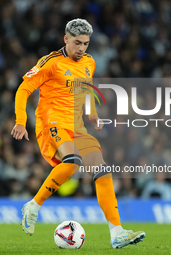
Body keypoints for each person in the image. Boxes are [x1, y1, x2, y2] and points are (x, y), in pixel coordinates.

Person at [11, 18, 145, 249]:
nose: (82, 48)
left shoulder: (89, 62)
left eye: (86, 43)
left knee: (103, 171)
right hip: (51, 122)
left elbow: (87, 87)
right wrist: (20, 121)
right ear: (66, 39)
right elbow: (24, 89)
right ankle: (33, 206)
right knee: (72, 162)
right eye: (77, 43)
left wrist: (92, 113)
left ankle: (117, 232)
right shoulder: (50, 62)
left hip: (77, 127)